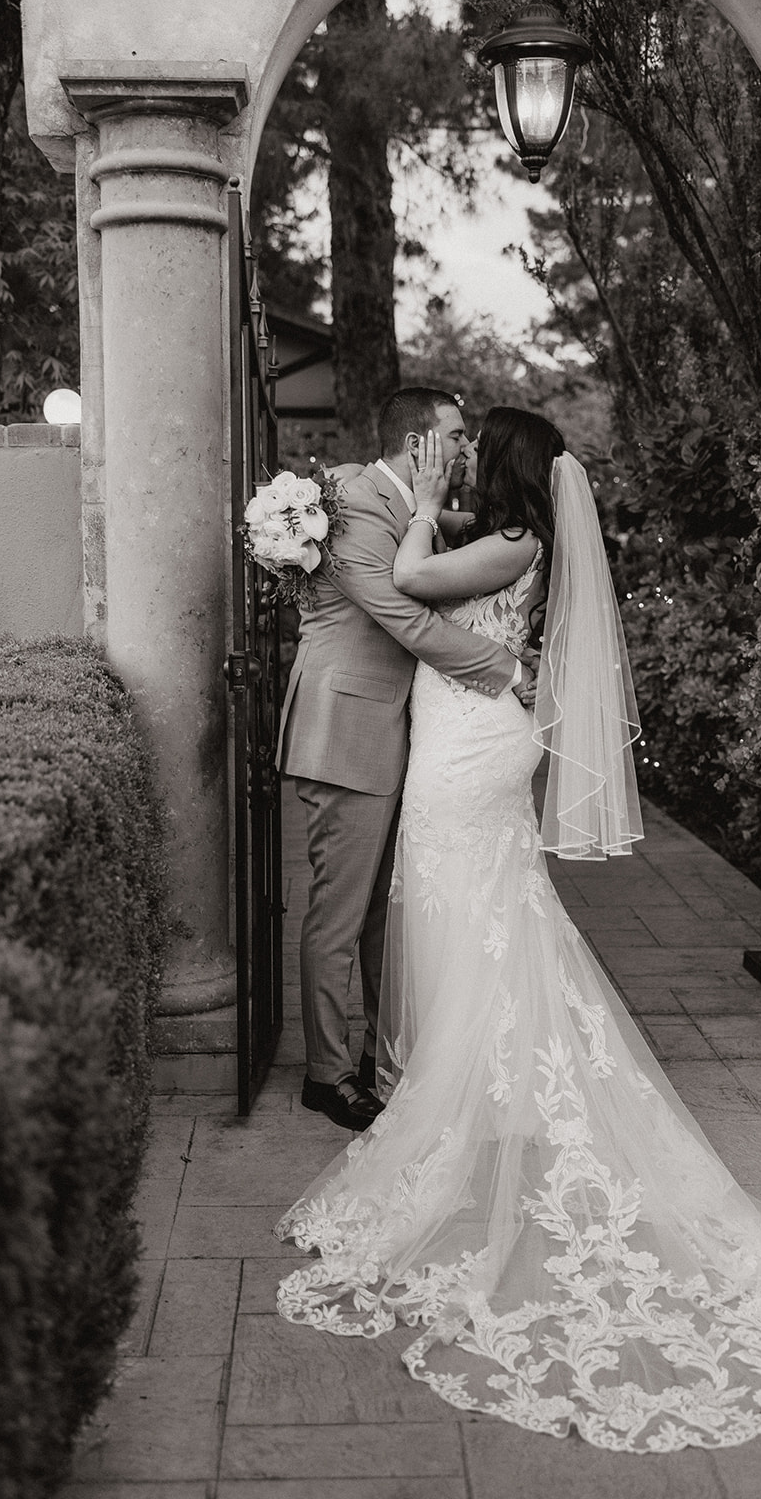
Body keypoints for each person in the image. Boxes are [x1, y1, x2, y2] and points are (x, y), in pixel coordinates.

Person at [276, 406, 761, 1452]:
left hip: (468, 743)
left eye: (472, 451)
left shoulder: (503, 540)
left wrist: (418, 509)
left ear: (498, 468)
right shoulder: (507, 533)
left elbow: (412, 587)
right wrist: (418, 512)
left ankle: (462, 1084)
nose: (454, 465)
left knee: (469, 907)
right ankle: (459, 1071)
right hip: (470, 742)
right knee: (484, 909)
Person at [277, 387, 537, 1133]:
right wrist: (509, 670)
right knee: (341, 910)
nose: (465, 451)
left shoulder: (398, 500)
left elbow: (467, 530)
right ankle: (326, 1075)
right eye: (455, 437)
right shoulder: (358, 508)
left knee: (384, 914)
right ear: (417, 443)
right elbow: (409, 620)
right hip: (347, 727)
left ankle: (381, 1054)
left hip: (403, 734)